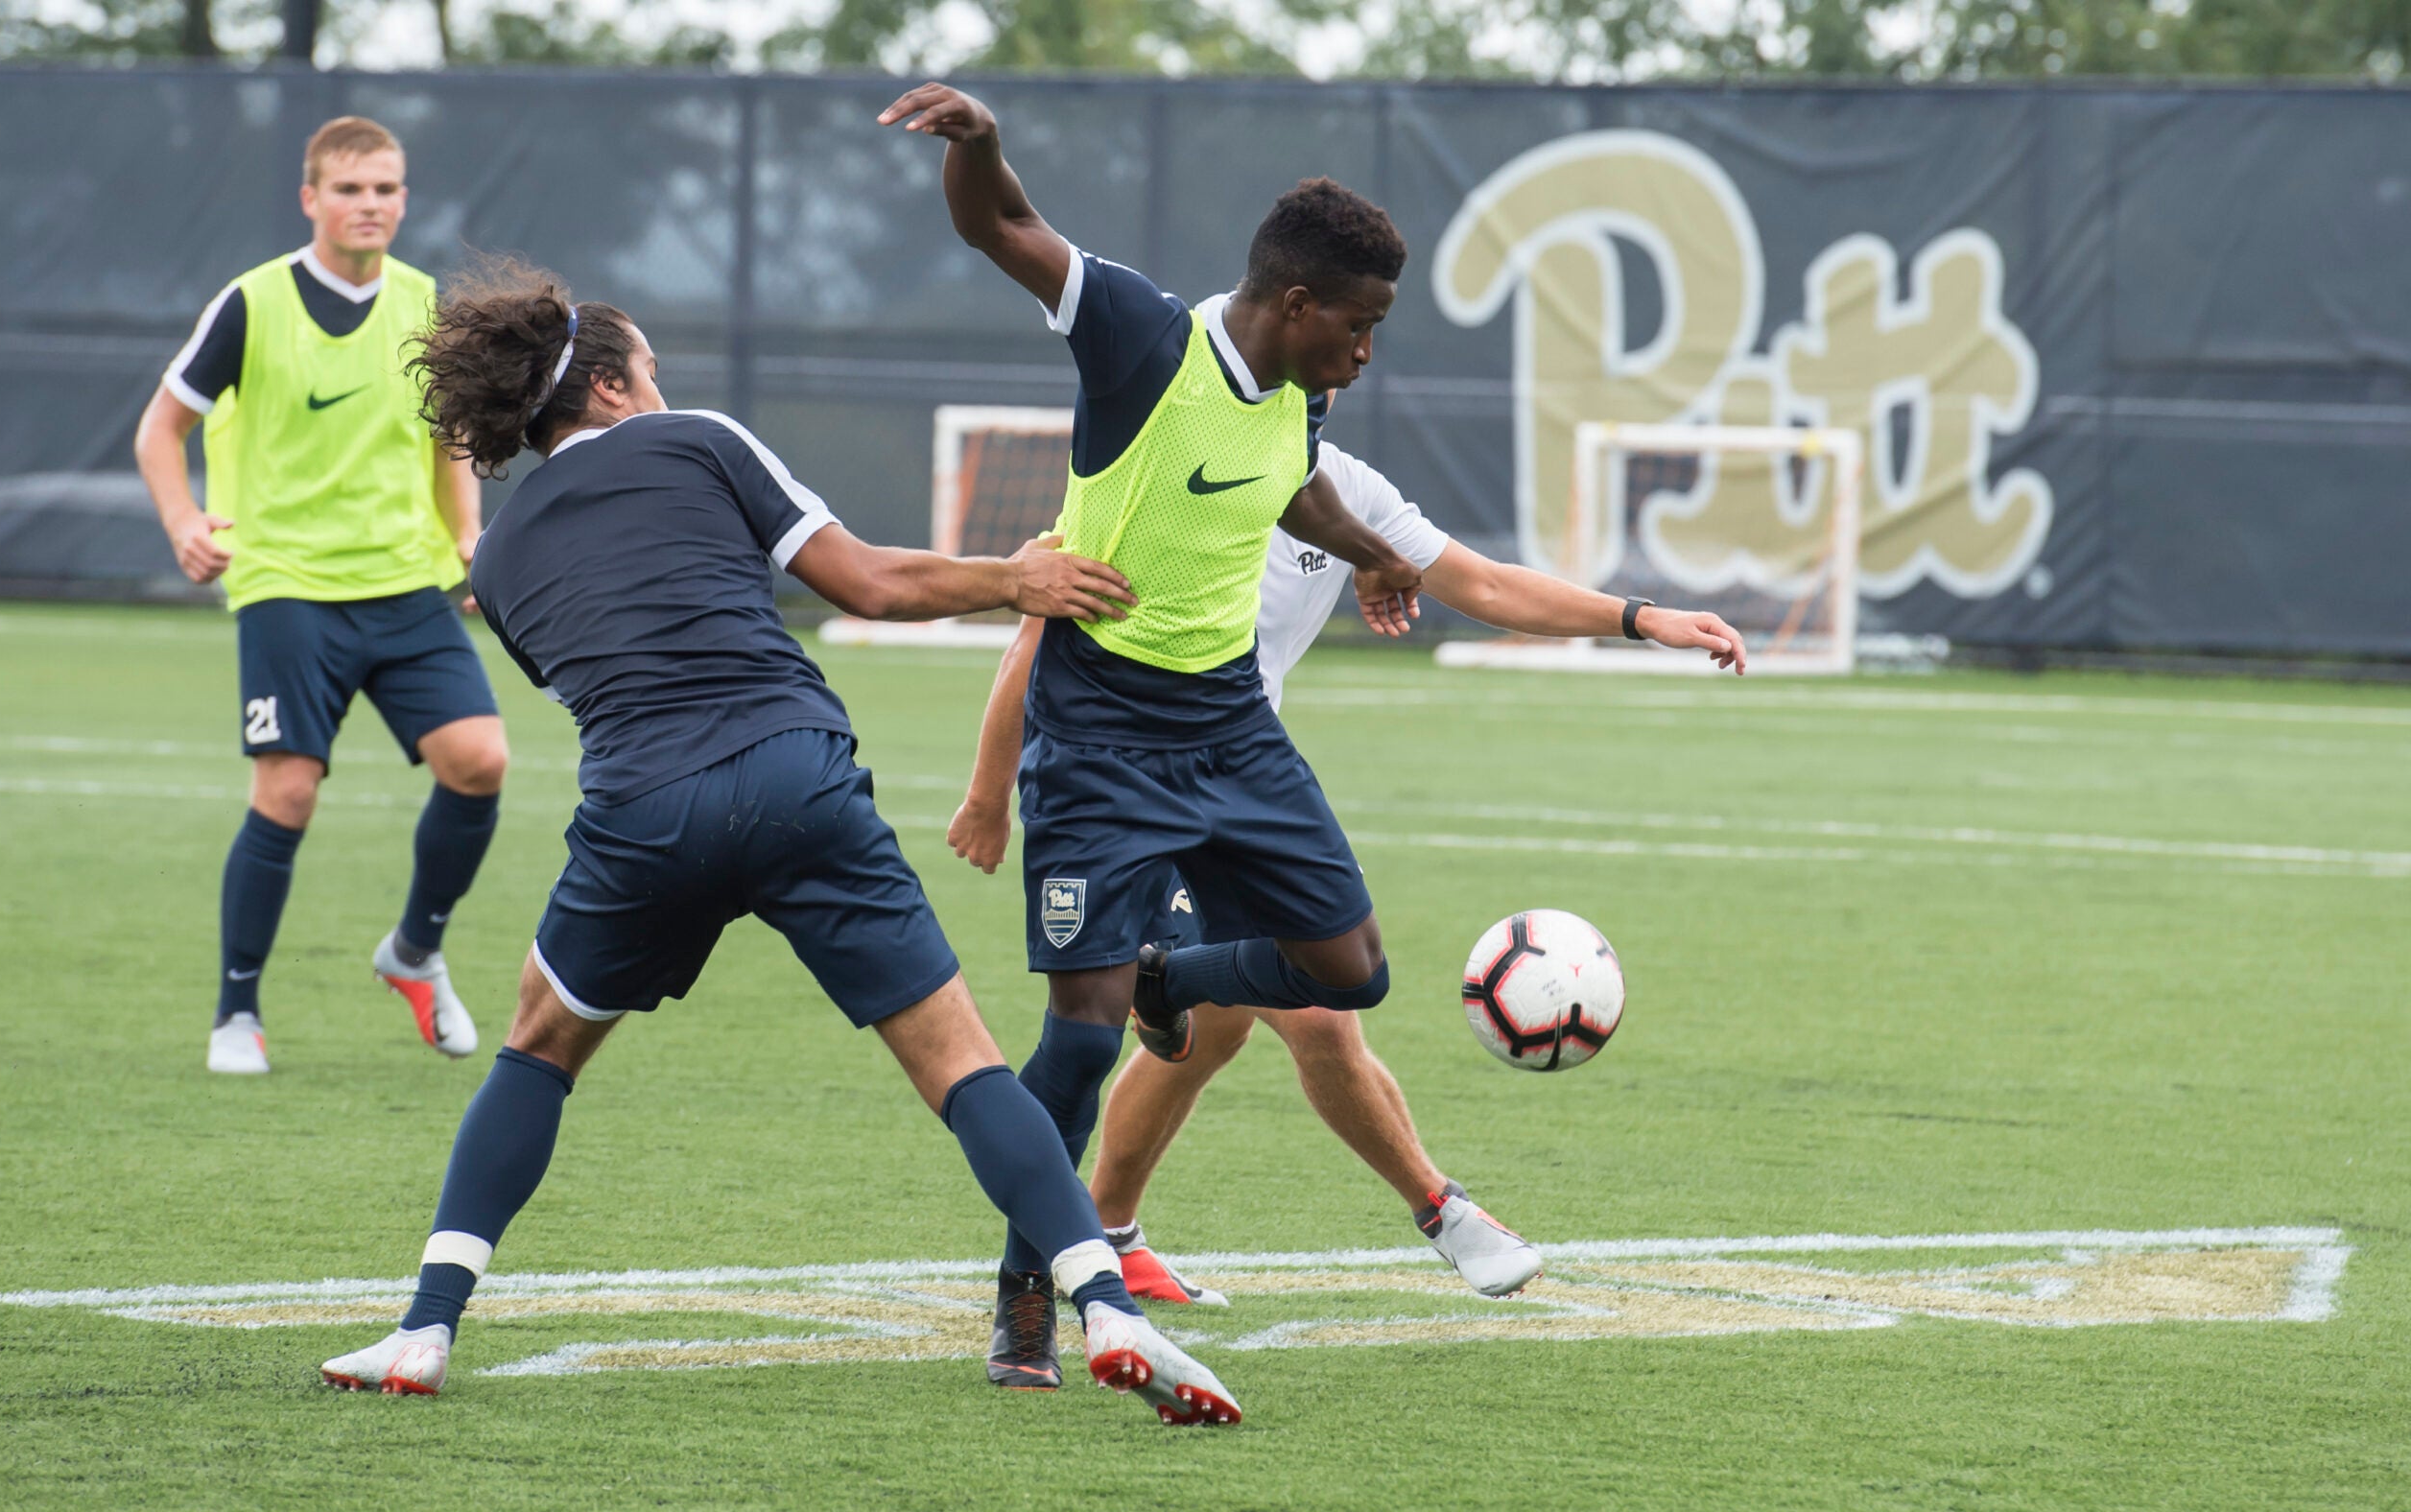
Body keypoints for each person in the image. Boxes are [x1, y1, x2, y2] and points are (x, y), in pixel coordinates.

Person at [317, 260, 1239, 1426]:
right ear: (606, 388)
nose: (663, 386)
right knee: (962, 1066)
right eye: (650, 370)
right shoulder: (702, 440)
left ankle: (425, 1329)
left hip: (644, 810)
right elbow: (865, 584)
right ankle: (1106, 1304)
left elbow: (599, 682)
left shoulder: (492, 564)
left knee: (538, 1045)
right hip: (797, 776)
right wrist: (1017, 577)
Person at [879, 82, 1430, 1391]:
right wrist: (981, 146)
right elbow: (1002, 226)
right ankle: (1032, 1279)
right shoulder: (1140, 336)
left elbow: (1285, 478)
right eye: (1359, 327)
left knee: (1346, 966)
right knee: (1076, 1036)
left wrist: (1366, 553)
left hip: (1230, 725)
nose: (1366, 350)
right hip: (1102, 734)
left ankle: (1174, 978)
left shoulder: (1301, 386)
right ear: (1298, 306)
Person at [949, 440, 1748, 1304]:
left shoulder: (1342, 487)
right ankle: (1443, 1212)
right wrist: (989, 794)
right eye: (1342, 335)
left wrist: (1641, 617)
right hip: (1127, 783)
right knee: (1314, 1013)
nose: (1349, 362)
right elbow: (1040, 633)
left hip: (1239, 781)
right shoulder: (1155, 461)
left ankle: (1110, 1223)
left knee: (1217, 1023)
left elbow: (1479, 583)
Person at [133, 116, 508, 1076]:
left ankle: (414, 953)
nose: (370, 204)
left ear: (404, 197)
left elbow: (450, 437)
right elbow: (161, 427)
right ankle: (237, 1015)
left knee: (480, 761)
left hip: (405, 580)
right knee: (289, 791)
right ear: (311, 199)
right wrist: (184, 521)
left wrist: (467, 536)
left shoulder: (427, 303)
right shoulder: (252, 303)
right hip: (286, 583)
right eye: (350, 189)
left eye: (386, 188)